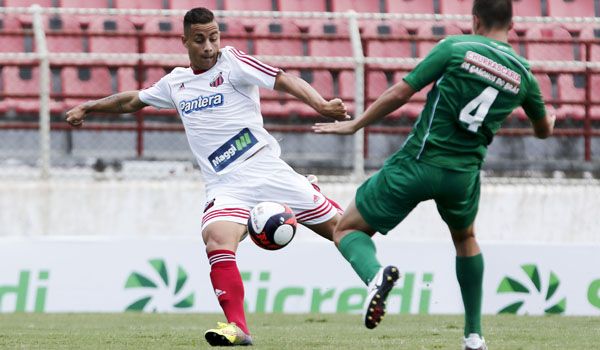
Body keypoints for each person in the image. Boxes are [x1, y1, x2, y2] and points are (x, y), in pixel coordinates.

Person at [65, 7, 347, 347]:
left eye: (214, 37)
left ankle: (372, 269)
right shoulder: (176, 83)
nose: (209, 46)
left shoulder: (233, 63)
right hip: (225, 185)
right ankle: (238, 328)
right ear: (185, 41)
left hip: (265, 169)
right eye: (200, 40)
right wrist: (89, 106)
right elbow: (131, 101)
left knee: (343, 230)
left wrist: (320, 104)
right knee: (216, 239)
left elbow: (283, 79)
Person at [313, 0, 555, 349]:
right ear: (512, 23)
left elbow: (402, 90)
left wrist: (357, 124)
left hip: (418, 163)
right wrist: (552, 120)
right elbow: (543, 129)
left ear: (475, 19)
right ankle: (473, 336)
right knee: (466, 240)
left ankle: (374, 276)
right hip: (463, 175)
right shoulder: (524, 75)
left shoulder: (455, 48)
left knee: (347, 228)